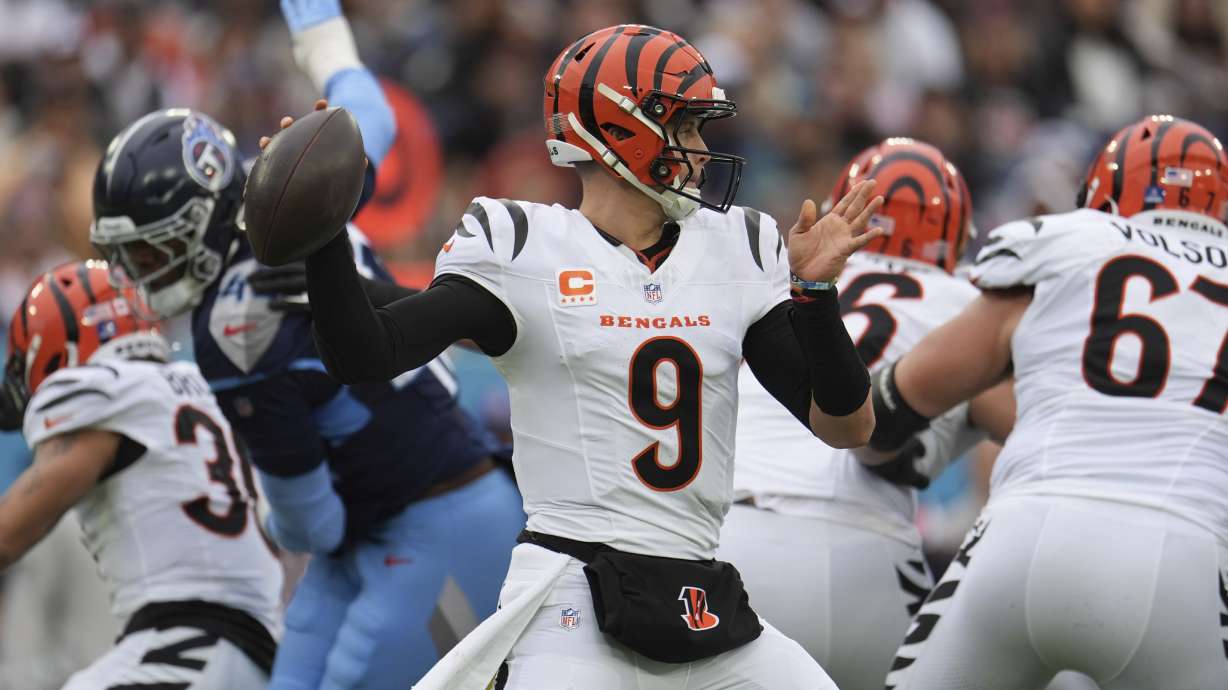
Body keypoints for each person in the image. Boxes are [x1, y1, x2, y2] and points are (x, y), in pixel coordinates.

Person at [272, 24, 883, 689]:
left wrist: (815, 296)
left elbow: (847, 426)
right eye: (686, 126)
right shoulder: (522, 246)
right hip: (573, 599)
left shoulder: (738, 247)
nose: (704, 150)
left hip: (703, 600)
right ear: (622, 130)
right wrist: (323, 231)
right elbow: (368, 354)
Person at [88, 1, 525, 686]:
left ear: (199, 224)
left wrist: (272, 510)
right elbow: (368, 111)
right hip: (381, 527)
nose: (142, 277)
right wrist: (318, 24)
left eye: (152, 254)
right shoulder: (293, 188)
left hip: (436, 524)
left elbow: (310, 525)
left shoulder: (232, 331)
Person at [865, 114, 1228, 690]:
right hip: (1187, 558)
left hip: (1028, 533)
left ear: (1104, 193)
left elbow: (891, 408)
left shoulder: (1065, 244)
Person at [717, 138, 1013, 690]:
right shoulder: (969, 306)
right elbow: (1031, 431)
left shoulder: (784, 276)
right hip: (868, 550)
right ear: (955, 237)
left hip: (735, 535)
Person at [0, 261, 282, 689]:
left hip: (191, 639)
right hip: (253, 648)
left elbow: (9, 535)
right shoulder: (193, 386)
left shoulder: (105, 392)